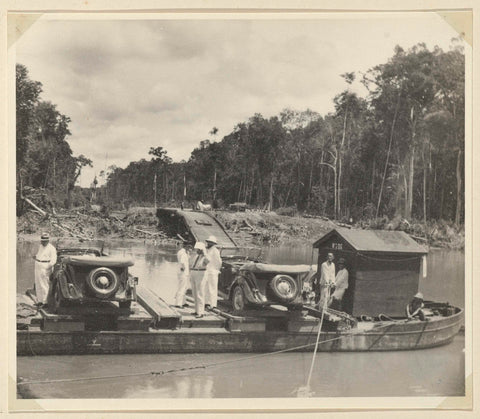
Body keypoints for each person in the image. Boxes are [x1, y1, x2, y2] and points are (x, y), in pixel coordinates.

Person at [32, 233, 57, 307]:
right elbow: (40, 255)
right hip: (38, 264)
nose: (43, 242)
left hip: (45, 266)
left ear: (48, 241)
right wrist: (36, 257)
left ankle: (45, 302)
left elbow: (53, 260)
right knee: (38, 283)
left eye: (44, 241)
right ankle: (40, 301)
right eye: (42, 240)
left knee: (44, 284)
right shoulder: (40, 246)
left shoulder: (51, 248)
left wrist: (47, 267)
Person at [203, 235, 222, 311]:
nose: (208, 243)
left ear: (213, 243)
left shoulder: (215, 251)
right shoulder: (207, 250)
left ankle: (213, 304)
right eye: (208, 242)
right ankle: (206, 303)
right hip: (207, 271)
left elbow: (219, 262)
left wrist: (216, 270)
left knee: (213, 288)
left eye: (210, 242)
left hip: (213, 271)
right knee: (206, 287)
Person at [174, 241, 192, 308]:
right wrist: (183, 269)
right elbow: (182, 262)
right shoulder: (183, 253)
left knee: (184, 287)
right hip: (183, 273)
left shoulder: (182, 252)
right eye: (189, 247)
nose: (190, 248)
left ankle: (183, 302)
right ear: (186, 246)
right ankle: (178, 303)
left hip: (182, 272)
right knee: (182, 287)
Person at [191, 242, 207, 318]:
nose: (196, 250)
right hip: (194, 272)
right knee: (194, 293)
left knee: (200, 293)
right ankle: (196, 310)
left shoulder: (205, 257)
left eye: (198, 249)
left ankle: (201, 312)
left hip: (200, 273)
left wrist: (205, 253)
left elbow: (207, 261)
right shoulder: (196, 256)